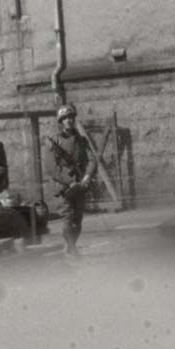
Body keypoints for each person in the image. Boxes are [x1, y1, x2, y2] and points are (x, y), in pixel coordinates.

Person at [44, 104, 97, 257]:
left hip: (80, 185)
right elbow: (51, 168)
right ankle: (71, 247)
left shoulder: (81, 140)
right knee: (68, 217)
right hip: (63, 188)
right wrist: (68, 181)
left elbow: (92, 160)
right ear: (60, 121)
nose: (68, 121)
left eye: (71, 117)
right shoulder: (53, 142)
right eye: (64, 118)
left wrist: (87, 176)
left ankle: (71, 246)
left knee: (78, 220)